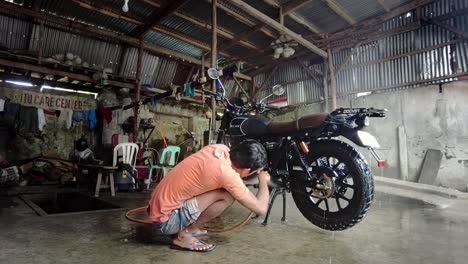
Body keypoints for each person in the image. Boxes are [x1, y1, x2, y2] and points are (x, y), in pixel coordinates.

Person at [148, 140, 270, 252]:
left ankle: (188, 227)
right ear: (247, 170)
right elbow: (261, 209)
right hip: (164, 223)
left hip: (157, 208)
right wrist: (263, 181)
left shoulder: (219, 149)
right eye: (255, 171)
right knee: (226, 195)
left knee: (221, 189)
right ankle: (184, 234)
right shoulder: (227, 175)